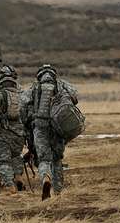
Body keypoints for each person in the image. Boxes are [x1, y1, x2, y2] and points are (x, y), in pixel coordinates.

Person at [24, 64, 79, 200]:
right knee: (57, 160)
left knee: (44, 159)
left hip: (40, 127)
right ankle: (58, 191)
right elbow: (75, 98)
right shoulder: (62, 85)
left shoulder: (34, 88)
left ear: (39, 75)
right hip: (58, 128)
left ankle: (46, 179)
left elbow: (23, 106)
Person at [0, 65, 27, 191]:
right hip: (19, 132)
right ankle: (19, 176)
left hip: (4, 131)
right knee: (16, 156)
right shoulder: (20, 92)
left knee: (4, 160)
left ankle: (9, 185)